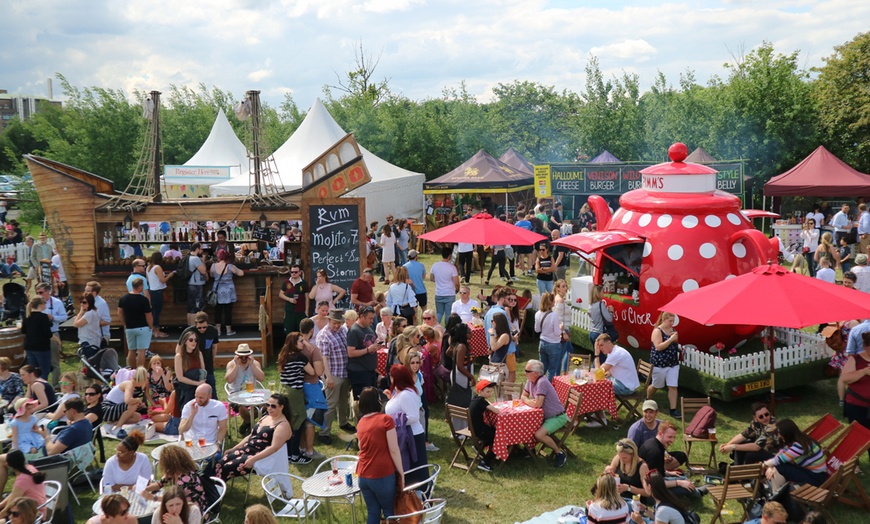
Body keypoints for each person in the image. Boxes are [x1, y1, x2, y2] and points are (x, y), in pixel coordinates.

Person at [216, 393, 292, 481]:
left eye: (273, 406)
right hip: (247, 449)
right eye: (267, 405)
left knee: (226, 468)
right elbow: (250, 436)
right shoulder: (265, 417)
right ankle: (208, 487)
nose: (269, 408)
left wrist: (253, 459)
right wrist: (234, 448)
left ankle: (214, 491)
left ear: (281, 407)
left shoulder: (282, 425)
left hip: (259, 456)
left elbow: (273, 448)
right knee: (220, 463)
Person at [357, 386, 404, 524]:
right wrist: (401, 472)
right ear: (377, 401)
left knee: (373, 512)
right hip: (382, 474)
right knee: (390, 512)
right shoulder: (386, 420)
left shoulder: (360, 423)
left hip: (363, 475)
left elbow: (361, 446)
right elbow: (394, 449)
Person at [385, 365, 429, 484]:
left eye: (391, 375)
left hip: (412, 437)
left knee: (415, 470)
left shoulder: (406, 394)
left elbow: (413, 416)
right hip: (407, 435)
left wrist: (393, 422)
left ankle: (418, 497)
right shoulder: (401, 392)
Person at [316, 309, 354, 445]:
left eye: (339, 323)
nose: (337, 325)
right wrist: (328, 377)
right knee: (331, 404)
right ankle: (324, 432)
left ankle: (343, 422)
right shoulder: (324, 336)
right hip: (334, 374)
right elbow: (323, 358)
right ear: (329, 320)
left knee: (343, 400)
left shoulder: (343, 331)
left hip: (345, 372)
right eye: (334, 323)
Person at [521, 359, 568, 467]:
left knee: (538, 434)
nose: (524, 373)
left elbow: (538, 404)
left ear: (536, 373)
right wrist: (528, 401)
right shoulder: (531, 380)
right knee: (526, 425)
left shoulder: (542, 382)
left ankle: (559, 453)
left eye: (527, 371)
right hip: (544, 417)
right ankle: (529, 450)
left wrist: (527, 401)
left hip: (557, 417)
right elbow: (523, 395)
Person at [277, 331, 315, 464]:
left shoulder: (283, 355)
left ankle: (287, 453)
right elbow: (312, 371)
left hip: (283, 390)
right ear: (294, 343)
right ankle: (295, 455)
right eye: (301, 341)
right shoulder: (300, 357)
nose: (303, 343)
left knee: (288, 422)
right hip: (294, 393)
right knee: (297, 423)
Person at [638, 421, 699, 497]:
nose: (672, 441)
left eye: (674, 437)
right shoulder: (655, 452)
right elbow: (656, 483)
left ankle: (694, 487)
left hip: (649, 482)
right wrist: (678, 483)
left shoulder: (652, 442)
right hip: (650, 491)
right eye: (670, 437)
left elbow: (653, 470)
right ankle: (699, 492)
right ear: (660, 434)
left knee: (682, 478)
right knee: (687, 488)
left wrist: (668, 473)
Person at [763, 418, 827, 489]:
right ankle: (776, 494)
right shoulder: (801, 440)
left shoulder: (799, 446)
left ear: (787, 434)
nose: (779, 436)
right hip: (813, 474)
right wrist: (771, 466)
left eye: (780, 433)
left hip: (816, 479)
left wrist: (764, 465)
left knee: (781, 467)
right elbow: (781, 454)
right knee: (779, 466)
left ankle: (776, 495)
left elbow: (779, 460)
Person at [143, 445, 208, 512]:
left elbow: (174, 499)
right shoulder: (173, 472)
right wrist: (144, 489)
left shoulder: (185, 478)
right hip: (180, 504)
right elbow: (160, 484)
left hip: (193, 509)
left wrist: (153, 498)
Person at [719, 401, 783, 465]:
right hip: (764, 449)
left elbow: (757, 447)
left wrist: (733, 447)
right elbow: (743, 435)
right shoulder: (756, 423)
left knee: (750, 455)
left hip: (776, 455)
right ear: (755, 418)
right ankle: (737, 470)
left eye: (766, 414)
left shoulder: (772, 426)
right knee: (741, 444)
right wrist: (727, 445)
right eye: (761, 416)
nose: (765, 418)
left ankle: (746, 472)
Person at [347, 306, 381, 410]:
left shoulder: (368, 328)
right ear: (361, 316)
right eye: (370, 318)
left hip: (370, 370)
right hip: (359, 371)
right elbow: (351, 353)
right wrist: (368, 350)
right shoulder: (354, 331)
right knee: (362, 402)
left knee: (372, 400)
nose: (372, 321)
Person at [226, 343, 265, 435]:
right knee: (241, 407)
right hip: (236, 393)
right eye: (241, 357)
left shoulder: (254, 363)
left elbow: (261, 378)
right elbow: (229, 380)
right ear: (237, 356)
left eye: (246, 357)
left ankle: (246, 423)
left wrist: (252, 365)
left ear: (250, 356)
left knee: (266, 406)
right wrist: (236, 365)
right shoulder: (231, 364)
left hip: (252, 392)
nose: (243, 359)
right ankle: (250, 424)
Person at [649, 312, 682, 419]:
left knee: (673, 386)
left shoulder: (673, 331)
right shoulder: (657, 331)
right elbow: (658, 347)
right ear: (663, 320)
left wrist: (678, 345)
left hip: (673, 363)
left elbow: (673, 345)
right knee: (656, 385)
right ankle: (648, 399)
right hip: (660, 364)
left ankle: (673, 410)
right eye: (670, 321)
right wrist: (671, 339)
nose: (672, 323)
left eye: (673, 321)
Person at [118, 277, 153, 370]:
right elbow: (148, 316)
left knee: (131, 350)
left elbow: (120, 313)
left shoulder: (123, 299)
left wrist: (125, 323)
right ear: (140, 286)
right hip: (142, 327)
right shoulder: (144, 300)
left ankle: (131, 369)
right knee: (141, 351)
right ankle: (139, 370)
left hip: (129, 327)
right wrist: (151, 326)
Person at [0, 450, 45, 519]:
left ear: (8, 464)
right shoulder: (29, 469)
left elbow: (8, 509)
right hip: (37, 510)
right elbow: (15, 493)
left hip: (33, 517)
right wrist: (1, 505)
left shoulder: (22, 480)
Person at [102, 367, 148, 435]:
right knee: (133, 406)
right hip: (106, 409)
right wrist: (138, 400)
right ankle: (117, 428)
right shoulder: (129, 384)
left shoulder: (130, 385)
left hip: (111, 408)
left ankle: (110, 425)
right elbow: (128, 401)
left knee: (137, 417)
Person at [839, 330, 870, 430]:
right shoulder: (855, 359)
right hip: (858, 405)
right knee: (860, 435)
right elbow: (845, 378)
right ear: (865, 346)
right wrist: (863, 372)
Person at [210, 248, 244, 337]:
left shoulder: (213, 266)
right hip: (228, 290)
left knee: (217, 311)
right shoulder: (230, 266)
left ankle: (218, 331)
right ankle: (229, 330)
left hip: (217, 290)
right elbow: (241, 273)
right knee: (228, 311)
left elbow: (211, 275)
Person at [605, 438, 652, 503]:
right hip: (617, 498)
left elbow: (648, 492)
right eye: (620, 456)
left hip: (635, 502)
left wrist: (628, 488)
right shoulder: (618, 459)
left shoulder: (642, 467)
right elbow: (605, 479)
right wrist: (607, 471)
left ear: (633, 454)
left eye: (624, 458)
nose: (622, 460)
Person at [469, 379, 500, 471]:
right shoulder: (482, 402)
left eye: (491, 392)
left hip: (473, 428)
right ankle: (485, 462)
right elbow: (497, 411)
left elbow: (489, 404)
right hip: (479, 430)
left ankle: (479, 446)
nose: (490, 394)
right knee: (499, 437)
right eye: (487, 392)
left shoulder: (476, 398)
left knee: (493, 431)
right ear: (480, 391)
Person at [21, 297, 53, 378]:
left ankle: (33, 388)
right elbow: (48, 334)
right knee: (44, 370)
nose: (45, 304)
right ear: (40, 305)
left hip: (29, 346)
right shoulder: (43, 317)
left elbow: (23, 331)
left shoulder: (27, 316)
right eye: (44, 303)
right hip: (42, 347)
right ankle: (41, 388)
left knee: (33, 371)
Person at [535, 292, 563, 381]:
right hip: (553, 344)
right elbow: (557, 332)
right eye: (553, 301)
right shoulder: (553, 315)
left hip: (542, 342)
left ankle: (538, 386)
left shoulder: (538, 313)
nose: (554, 302)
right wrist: (561, 328)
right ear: (550, 302)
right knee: (552, 370)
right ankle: (549, 389)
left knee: (542, 369)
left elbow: (537, 330)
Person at [147, 251, 175, 338]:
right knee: (156, 313)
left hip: (152, 291)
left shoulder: (148, 267)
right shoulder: (158, 267)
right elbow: (162, 280)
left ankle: (153, 330)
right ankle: (157, 331)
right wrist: (170, 275)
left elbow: (149, 280)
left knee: (154, 312)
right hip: (158, 292)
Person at [429, 246, 460, 325]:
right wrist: (457, 289)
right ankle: (447, 328)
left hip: (439, 293)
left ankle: (435, 326)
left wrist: (439, 280)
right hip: (449, 293)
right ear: (449, 256)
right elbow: (456, 282)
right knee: (448, 313)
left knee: (439, 313)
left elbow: (431, 278)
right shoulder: (452, 267)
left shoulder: (435, 265)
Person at [192, 312, 220, 399]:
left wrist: (212, 358)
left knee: (212, 390)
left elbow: (214, 346)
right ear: (195, 324)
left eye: (204, 327)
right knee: (195, 391)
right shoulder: (190, 332)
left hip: (208, 364)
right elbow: (179, 348)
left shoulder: (213, 331)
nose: (202, 329)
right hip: (194, 365)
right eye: (199, 328)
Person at [279, 264, 309, 334]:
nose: (293, 274)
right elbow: (280, 294)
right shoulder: (286, 282)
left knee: (301, 332)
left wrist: (306, 311)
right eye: (292, 272)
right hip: (289, 311)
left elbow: (307, 297)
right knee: (289, 332)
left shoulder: (304, 283)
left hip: (301, 311)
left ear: (300, 272)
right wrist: (289, 299)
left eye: (295, 272)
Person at [185, 242, 209, 325]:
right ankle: (194, 327)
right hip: (197, 284)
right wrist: (203, 261)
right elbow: (203, 270)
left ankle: (189, 326)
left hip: (190, 284)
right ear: (197, 249)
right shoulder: (196, 259)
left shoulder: (188, 257)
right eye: (201, 249)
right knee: (196, 308)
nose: (202, 251)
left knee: (190, 308)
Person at [589, 285, 615, 355]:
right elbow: (609, 319)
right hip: (599, 333)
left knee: (597, 355)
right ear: (598, 293)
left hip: (592, 332)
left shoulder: (591, 305)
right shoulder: (600, 304)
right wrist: (611, 311)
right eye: (602, 292)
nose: (603, 293)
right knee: (601, 358)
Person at [86, 281, 112, 347]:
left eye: (87, 291)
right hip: (90, 335)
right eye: (85, 290)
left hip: (100, 336)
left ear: (94, 293)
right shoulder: (87, 301)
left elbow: (107, 321)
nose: (85, 292)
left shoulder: (101, 304)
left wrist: (88, 323)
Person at [404, 249, 428, 314]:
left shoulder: (405, 266)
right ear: (415, 256)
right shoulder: (421, 265)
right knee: (424, 309)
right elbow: (423, 276)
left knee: (414, 311)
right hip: (421, 290)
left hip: (410, 291)